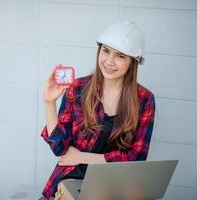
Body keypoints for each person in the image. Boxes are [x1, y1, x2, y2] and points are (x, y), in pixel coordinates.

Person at [40, 21, 156, 200]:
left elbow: (136, 157)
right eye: (106, 51)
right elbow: (60, 148)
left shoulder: (144, 99)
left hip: (116, 182)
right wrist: (49, 103)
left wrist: (83, 157)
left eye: (120, 56)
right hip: (74, 176)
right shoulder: (78, 88)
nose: (109, 62)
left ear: (133, 62)